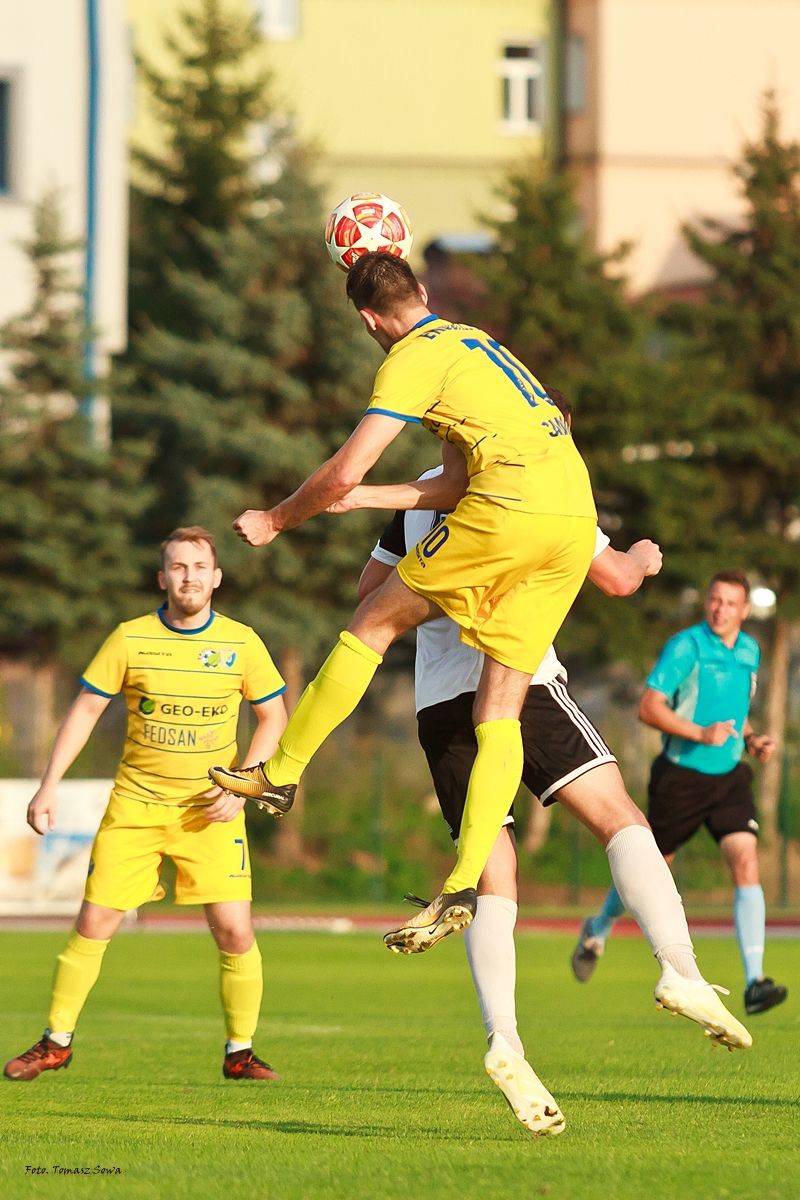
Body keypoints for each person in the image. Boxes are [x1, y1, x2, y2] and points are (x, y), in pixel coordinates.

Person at [210, 250, 599, 953]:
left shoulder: (409, 359)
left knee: (373, 617)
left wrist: (276, 518)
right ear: (422, 291)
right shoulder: (476, 343)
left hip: (508, 511)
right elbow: (447, 482)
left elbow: (345, 465)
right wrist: (366, 499)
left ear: (367, 319)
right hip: (573, 521)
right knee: (500, 706)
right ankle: (464, 880)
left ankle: (280, 773)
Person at [346, 469, 751, 1134]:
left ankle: (504, 1040)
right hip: (520, 685)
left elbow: (370, 597)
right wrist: (645, 558)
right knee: (619, 818)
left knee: (492, 873)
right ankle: (679, 969)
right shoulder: (539, 471)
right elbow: (618, 578)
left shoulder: (420, 495)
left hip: (438, 703)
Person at [4, 527, 288, 1083]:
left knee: (234, 930)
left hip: (208, 811)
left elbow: (274, 716)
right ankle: (55, 1043)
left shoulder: (242, 642)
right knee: (93, 921)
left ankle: (241, 1053)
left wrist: (243, 785)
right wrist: (49, 784)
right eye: (178, 567)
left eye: (199, 567)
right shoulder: (130, 639)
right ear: (163, 578)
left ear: (216, 578)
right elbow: (85, 710)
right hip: (135, 805)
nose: (189, 576)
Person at [572, 570, 788, 1018]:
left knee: (746, 859)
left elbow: (735, 712)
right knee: (652, 871)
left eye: (730, 603)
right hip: (680, 779)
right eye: (714, 600)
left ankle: (754, 982)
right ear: (706, 603)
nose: (720, 609)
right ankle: (598, 927)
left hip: (729, 776)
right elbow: (649, 707)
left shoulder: (749, 650)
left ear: (745, 611)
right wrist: (699, 733)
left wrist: (750, 739)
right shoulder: (686, 647)